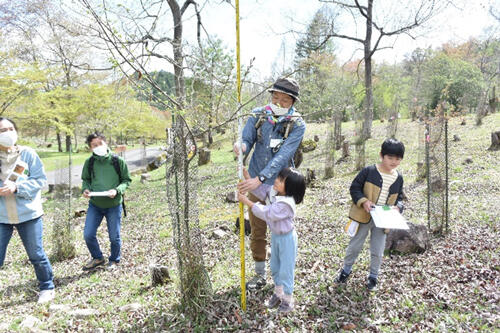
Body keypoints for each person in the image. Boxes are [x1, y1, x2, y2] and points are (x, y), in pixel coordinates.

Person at [235, 77, 306, 290]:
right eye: (275, 97)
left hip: (281, 184)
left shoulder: (297, 124)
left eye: (285, 100)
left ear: (293, 102)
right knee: (257, 228)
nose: (278, 102)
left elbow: (283, 156)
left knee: (280, 228)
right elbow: (247, 139)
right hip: (255, 178)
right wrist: (242, 146)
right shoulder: (258, 114)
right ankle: (259, 274)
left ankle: (282, 275)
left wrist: (262, 179)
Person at [335, 138, 405, 291]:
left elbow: (400, 197)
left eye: (398, 158)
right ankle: (346, 270)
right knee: (355, 245)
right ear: (381, 155)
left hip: (383, 219)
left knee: (378, 249)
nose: (394, 161)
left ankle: (373, 276)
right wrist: (364, 201)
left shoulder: (398, 177)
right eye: (390, 157)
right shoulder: (369, 171)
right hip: (364, 215)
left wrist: (398, 207)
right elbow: (355, 188)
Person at [0, 117, 55, 303]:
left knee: (36, 254)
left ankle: (47, 287)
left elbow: (40, 180)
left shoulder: (28, 154)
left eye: (10, 128)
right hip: (1, 216)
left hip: (28, 214)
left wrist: (17, 188)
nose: (8, 133)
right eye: (2, 130)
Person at [238, 167, 305, 313]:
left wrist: (247, 202)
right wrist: (248, 178)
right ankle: (278, 293)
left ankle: (288, 300)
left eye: (281, 180)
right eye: (278, 177)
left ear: (290, 187)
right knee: (275, 266)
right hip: (276, 237)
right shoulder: (275, 192)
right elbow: (261, 190)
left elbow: (268, 213)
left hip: (287, 239)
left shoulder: (287, 204)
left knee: (285, 269)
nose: (276, 180)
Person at [81, 133, 131, 270]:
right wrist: (85, 189)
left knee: (114, 237)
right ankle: (97, 258)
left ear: (106, 142)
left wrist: (117, 190)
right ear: (90, 148)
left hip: (114, 205)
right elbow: (86, 180)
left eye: (100, 143)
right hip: (95, 205)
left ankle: (114, 260)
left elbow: (127, 180)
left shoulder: (117, 161)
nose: (98, 147)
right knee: (88, 234)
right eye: (94, 145)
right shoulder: (89, 162)